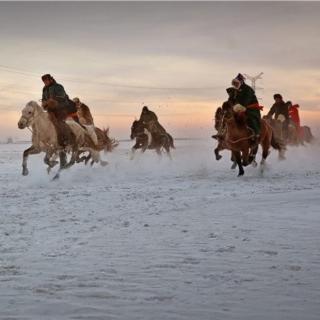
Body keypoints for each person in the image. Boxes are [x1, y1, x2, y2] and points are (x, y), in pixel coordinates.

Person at [41, 74, 78, 146]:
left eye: (46, 81)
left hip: (62, 107)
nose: (45, 83)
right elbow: (43, 99)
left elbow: (61, 96)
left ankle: (67, 138)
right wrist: (44, 103)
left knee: (58, 122)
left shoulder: (58, 87)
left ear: (50, 79)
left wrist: (52, 101)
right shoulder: (44, 89)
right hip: (51, 109)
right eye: (44, 81)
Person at [232, 73, 262, 144]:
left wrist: (240, 106)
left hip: (251, 109)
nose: (235, 85)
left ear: (241, 82)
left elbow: (246, 100)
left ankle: (256, 134)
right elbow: (234, 100)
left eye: (236, 83)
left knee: (250, 118)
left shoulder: (248, 89)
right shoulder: (237, 90)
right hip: (240, 107)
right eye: (234, 84)